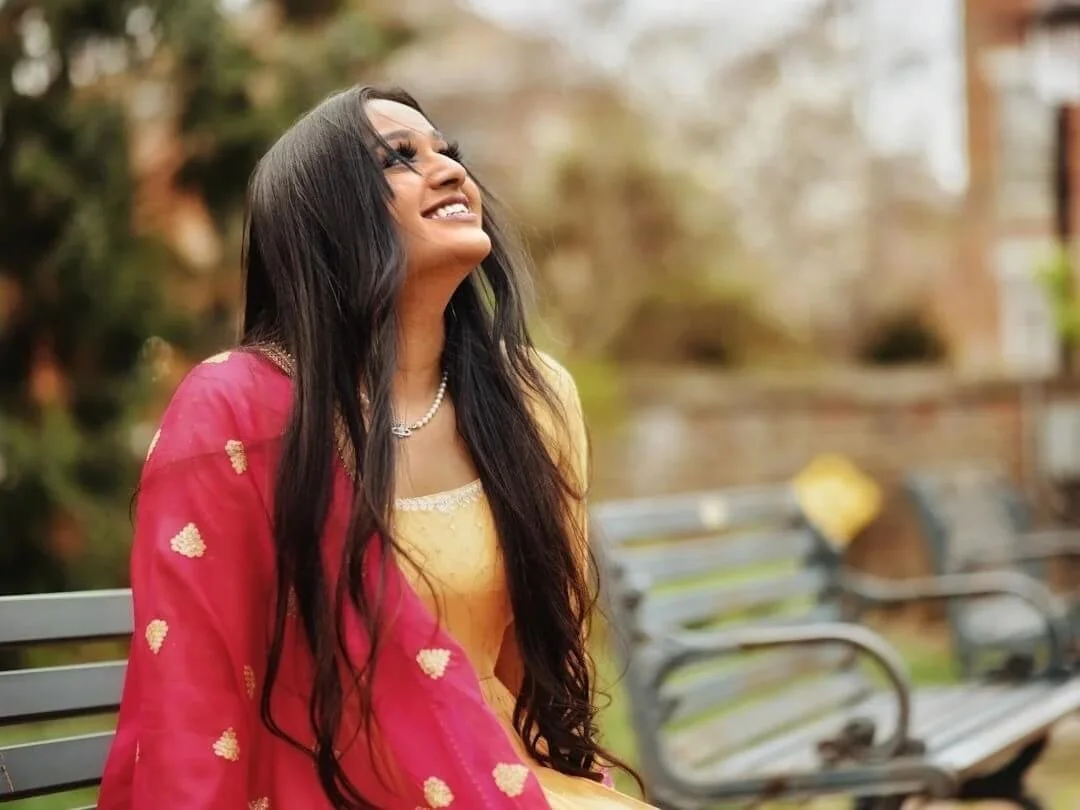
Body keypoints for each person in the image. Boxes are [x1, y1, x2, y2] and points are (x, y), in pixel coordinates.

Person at [97, 85, 656, 809]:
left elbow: (542, 666)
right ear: (325, 218)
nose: (451, 171)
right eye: (399, 158)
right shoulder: (236, 412)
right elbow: (193, 702)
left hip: (495, 780)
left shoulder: (532, 400)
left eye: (448, 153)